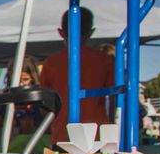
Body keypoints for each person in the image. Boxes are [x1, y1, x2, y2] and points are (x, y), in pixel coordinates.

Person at [39, 8, 115, 145]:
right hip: (97, 136)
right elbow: (114, 99)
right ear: (91, 33)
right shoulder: (104, 60)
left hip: (63, 135)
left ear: (61, 33)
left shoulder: (51, 63)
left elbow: (43, 103)